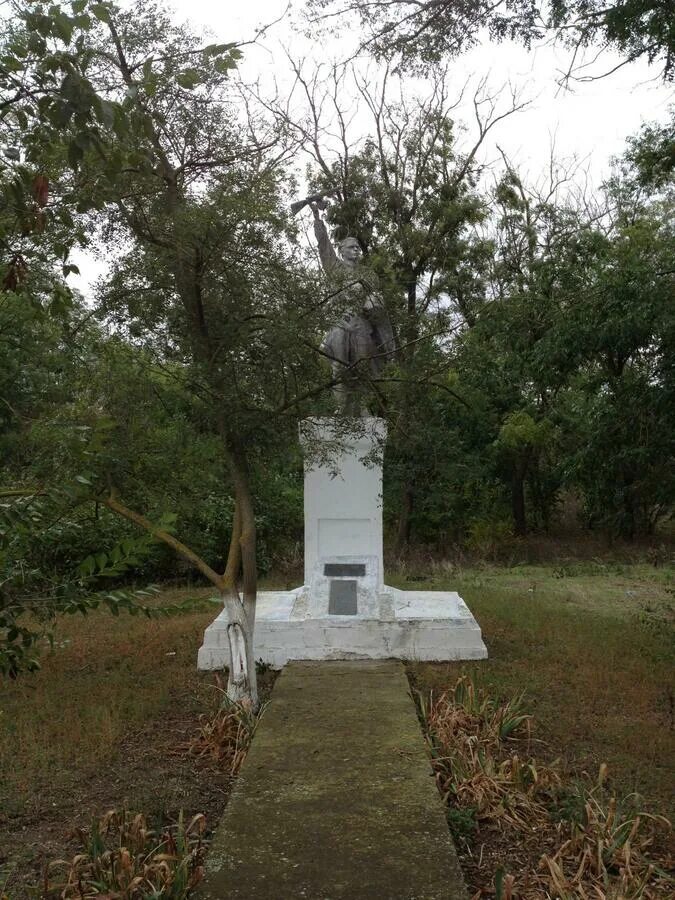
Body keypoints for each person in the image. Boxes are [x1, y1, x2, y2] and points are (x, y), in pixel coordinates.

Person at [310, 203, 395, 415]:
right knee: (338, 366)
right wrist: (317, 219)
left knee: (363, 366)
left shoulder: (368, 274)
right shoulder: (335, 268)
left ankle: (364, 407)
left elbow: (377, 302)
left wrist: (375, 301)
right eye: (351, 247)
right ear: (341, 251)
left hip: (362, 325)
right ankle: (340, 407)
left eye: (358, 247)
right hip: (340, 322)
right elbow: (324, 247)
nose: (356, 250)